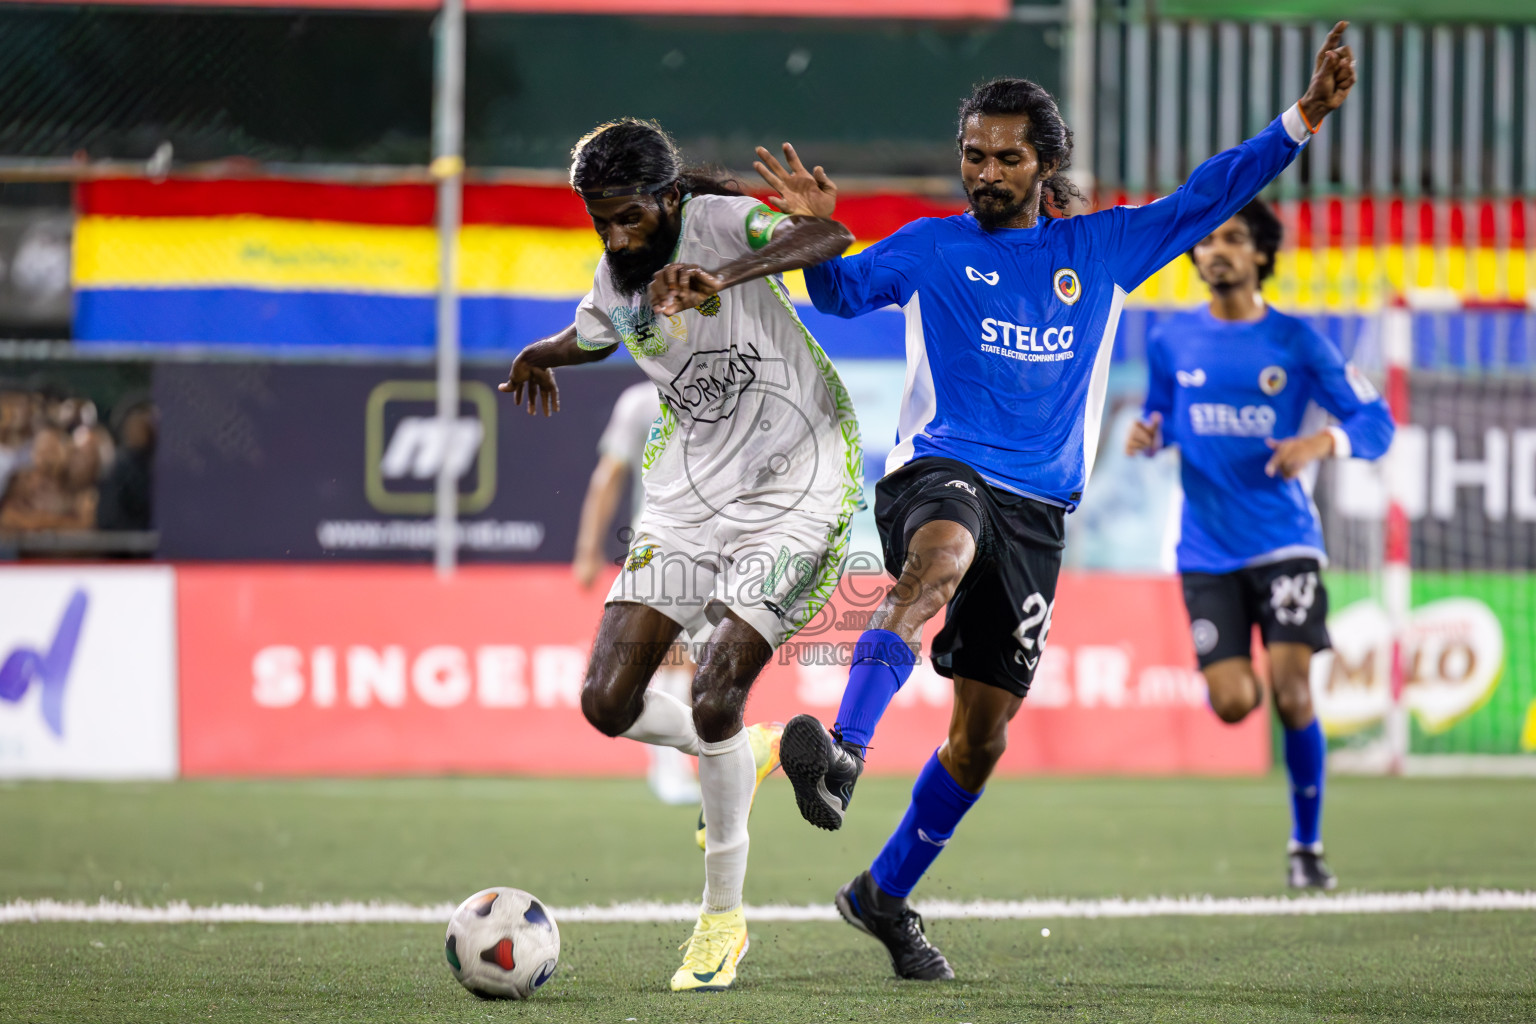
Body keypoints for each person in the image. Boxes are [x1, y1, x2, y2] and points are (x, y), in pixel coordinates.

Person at [758, 23, 1357, 981]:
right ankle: (843, 751)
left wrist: (1305, 117)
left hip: (1038, 513)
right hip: (943, 472)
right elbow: (837, 293)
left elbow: (1215, 191)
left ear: (1046, 165)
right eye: (971, 154)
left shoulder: (1105, 248)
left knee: (981, 738)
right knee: (937, 559)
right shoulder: (929, 247)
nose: (983, 171)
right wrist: (820, 237)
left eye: (1005, 157)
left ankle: (884, 895)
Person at [499, 118, 863, 992]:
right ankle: (753, 749)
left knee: (711, 694)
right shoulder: (615, 274)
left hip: (798, 483)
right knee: (606, 700)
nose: (617, 236)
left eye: (630, 217)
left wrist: (725, 275)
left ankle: (721, 923)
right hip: (690, 496)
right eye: (601, 221)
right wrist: (538, 352)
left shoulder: (719, 221)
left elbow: (829, 234)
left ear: (669, 199)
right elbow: (598, 331)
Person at [1125, 198, 1393, 889]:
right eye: (1208, 239)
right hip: (1206, 549)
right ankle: (1302, 836)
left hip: (1284, 542)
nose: (1217, 250)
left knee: (1293, 690)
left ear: (1260, 255)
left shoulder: (1298, 342)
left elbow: (1376, 421)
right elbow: (1162, 412)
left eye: (1234, 239)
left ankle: (1306, 846)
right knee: (1234, 701)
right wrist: (1150, 432)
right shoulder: (1170, 342)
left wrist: (1319, 442)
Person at [575, 380, 701, 806]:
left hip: (695, 546)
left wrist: (588, 549)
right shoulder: (646, 402)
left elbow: (606, 477)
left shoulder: (642, 399)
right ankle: (669, 771)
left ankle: (671, 769)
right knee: (671, 659)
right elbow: (609, 475)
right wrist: (587, 548)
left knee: (680, 661)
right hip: (669, 543)